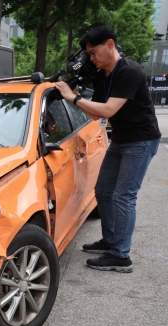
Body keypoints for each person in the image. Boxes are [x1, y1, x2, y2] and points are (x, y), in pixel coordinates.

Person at [55, 26, 161, 273]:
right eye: (88, 55)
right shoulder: (103, 76)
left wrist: (73, 98)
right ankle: (110, 240)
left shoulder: (129, 71)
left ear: (110, 45)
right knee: (103, 190)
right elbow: (95, 114)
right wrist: (77, 98)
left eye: (93, 52)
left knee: (124, 195)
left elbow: (109, 110)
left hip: (141, 140)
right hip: (122, 140)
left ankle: (121, 256)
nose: (91, 59)